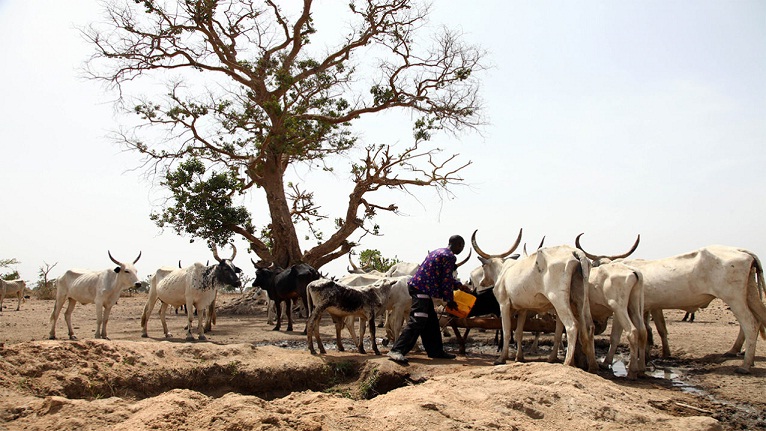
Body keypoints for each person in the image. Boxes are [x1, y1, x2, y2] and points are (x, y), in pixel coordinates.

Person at [387, 234, 472, 364]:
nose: (461, 249)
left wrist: (459, 286)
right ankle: (397, 350)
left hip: (420, 287)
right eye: (462, 246)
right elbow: (445, 280)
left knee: (431, 322)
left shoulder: (436, 252)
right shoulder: (450, 257)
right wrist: (450, 300)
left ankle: (436, 351)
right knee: (418, 320)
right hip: (422, 289)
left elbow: (444, 277)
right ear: (459, 245)